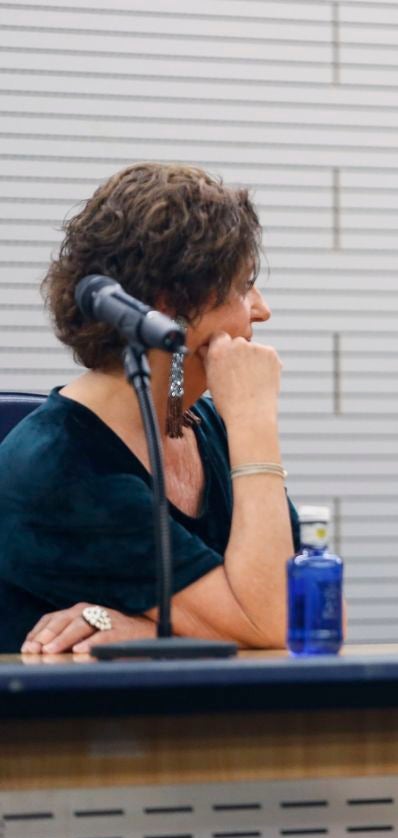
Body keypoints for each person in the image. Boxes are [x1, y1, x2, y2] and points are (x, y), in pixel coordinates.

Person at [0, 162, 298, 654]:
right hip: (71, 729)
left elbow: (318, 612)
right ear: (169, 307)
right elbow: (278, 622)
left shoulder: (202, 426)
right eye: (245, 285)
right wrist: (254, 421)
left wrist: (146, 632)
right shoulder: (61, 468)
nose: (261, 309)